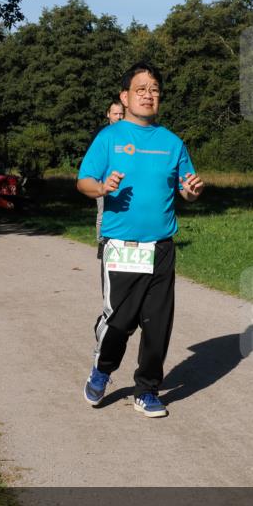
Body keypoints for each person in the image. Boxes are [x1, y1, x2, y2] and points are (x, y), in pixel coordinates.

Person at [76, 61, 204, 418]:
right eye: (141, 89)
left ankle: (147, 389)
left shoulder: (172, 142)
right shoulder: (110, 138)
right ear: (125, 96)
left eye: (154, 90)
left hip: (161, 246)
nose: (149, 95)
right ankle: (102, 370)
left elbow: (187, 189)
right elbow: (83, 181)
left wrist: (192, 192)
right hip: (122, 247)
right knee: (119, 321)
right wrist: (101, 188)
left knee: (157, 324)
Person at [95, 100, 125, 245]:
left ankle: (122, 241)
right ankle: (102, 242)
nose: (119, 117)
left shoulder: (129, 133)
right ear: (108, 114)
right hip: (103, 180)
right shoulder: (100, 134)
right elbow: (93, 161)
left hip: (124, 179)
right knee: (103, 212)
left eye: (121, 114)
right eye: (115, 114)